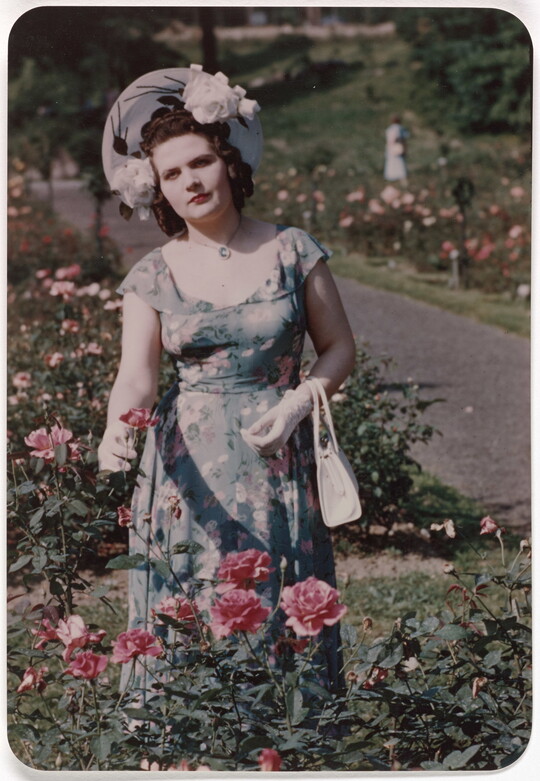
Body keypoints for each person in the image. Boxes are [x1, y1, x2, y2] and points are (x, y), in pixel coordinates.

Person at [98, 65, 356, 695]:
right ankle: (187, 735)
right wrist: (115, 433)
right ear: (158, 189)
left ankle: (284, 733)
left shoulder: (293, 250)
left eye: (201, 162)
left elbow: (338, 347)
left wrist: (299, 404)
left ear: (229, 162)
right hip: (187, 466)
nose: (190, 181)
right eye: (172, 174)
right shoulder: (152, 275)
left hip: (277, 454)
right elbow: (136, 378)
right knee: (192, 595)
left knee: (278, 595)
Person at [384, 114, 409, 182]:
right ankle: (398, 177)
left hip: (392, 148)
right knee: (398, 162)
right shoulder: (399, 128)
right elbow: (401, 138)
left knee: (394, 162)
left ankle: (393, 177)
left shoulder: (391, 129)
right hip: (396, 148)